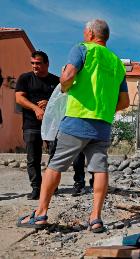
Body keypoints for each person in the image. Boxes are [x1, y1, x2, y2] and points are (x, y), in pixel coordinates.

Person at [17, 19, 130, 232]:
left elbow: (67, 76)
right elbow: (124, 102)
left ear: (89, 33)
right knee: (99, 168)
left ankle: (40, 213)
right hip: (103, 123)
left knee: (56, 164)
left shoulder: (82, 49)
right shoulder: (116, 62)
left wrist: (66, 87)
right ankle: (95, 218)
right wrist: (105, 110)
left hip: (77, 118)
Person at [15, 51, 59, 200]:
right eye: (33, 63)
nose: (35, 66)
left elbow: (63, 101)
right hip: (31, 123)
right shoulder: (25, 78)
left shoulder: (56, 81)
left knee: (54, 156)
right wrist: (35, 108)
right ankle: (36, 188)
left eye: (38, 63)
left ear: (47, 64)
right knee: (33, 158)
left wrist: (49, 103)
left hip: (52, 125)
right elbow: (19, 98)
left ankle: (52, 186)